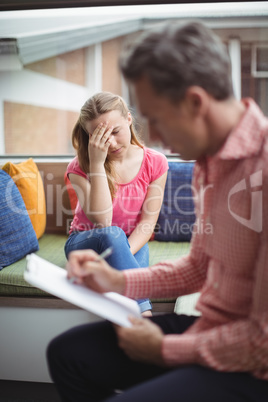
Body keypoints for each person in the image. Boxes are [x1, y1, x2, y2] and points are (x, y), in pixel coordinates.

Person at [47, 21, 268, 402]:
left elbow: (261, 341)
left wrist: (164, 350)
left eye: (158, 119)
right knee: (67, 354)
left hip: (249, 363)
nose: (157, 137)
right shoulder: (209, 162)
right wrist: (117, 282)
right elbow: (199, 267)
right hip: (208, 327)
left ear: (195, 103)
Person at [64, 91, 168, 315]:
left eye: (115, 131)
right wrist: (97, 164)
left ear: (129, 119)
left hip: (131, 242)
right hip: (85, 243)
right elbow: (102, 221)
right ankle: (146, 316)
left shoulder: (156, 162)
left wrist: (120, 254)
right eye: (100, 136)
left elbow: (148, 222)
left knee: (123, 252)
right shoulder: (79, 166)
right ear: (89, 136)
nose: (109, 143)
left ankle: (130, 336)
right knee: (112, 234)